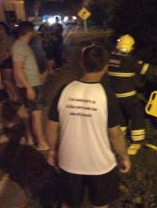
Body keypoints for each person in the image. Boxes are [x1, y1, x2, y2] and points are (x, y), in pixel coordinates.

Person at [46, 44, 130, 208]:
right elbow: (115, 134)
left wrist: (52, 150)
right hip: (100, 164)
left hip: (69, 161)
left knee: (69, 203)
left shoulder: (65, 90)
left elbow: (51, 126)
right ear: (106, 67)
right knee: (100, 204)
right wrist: (124, 156)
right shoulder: (106, 95)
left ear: (82, 63)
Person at [108, 34, 157, 155]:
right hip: (127, 95)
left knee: (122, 114)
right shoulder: (129, 60)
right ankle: (137, 140)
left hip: (114, 96)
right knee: (137, 113)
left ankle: (120, 134)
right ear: (131, 47)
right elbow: (148, 69)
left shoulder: (111, 58)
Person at [12, 21, 48, 150]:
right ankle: (41, 142)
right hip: (31, 86)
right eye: (33, 30)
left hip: (31, 84)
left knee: (27, 113)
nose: (34, 33)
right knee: (37, 115)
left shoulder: (22, 45)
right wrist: (28, 87)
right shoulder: (20, 47)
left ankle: (30, 138)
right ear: (29, 32)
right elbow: (18, 69)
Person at [0, 22, 19, 101]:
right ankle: (10, 95)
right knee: (4, 80)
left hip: (7, 61)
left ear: (5, 29)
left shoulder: (9, 39)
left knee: (7, 79)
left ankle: (15, 95)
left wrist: (3, 59)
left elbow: (10, 51)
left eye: (0, 28)